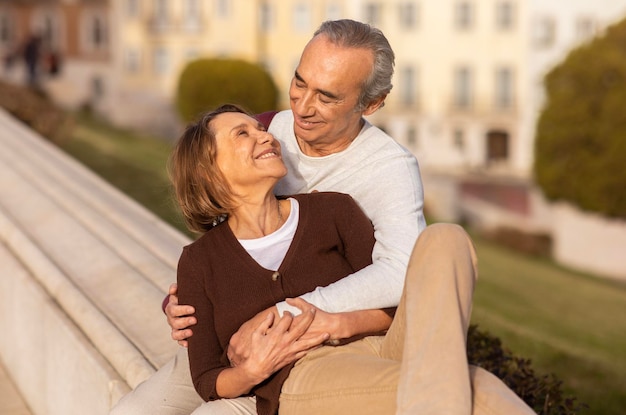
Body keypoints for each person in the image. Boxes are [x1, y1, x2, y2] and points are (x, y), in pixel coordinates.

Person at [111, 19, 536, 415]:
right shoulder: (263, 133)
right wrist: (184, 301)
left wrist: (307, 315)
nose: (302, 107)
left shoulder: (386, 172)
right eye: (299, 82)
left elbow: (402, 275)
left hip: (355, 339)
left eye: (327, 96)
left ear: (371, 104)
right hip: (247, 348)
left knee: (445, 239)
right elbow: (214, 216)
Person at [169, 104, 392, 415]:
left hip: (376, 354)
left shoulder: (334, 211)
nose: (266, 137)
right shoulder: (200, 262)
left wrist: (333, 325)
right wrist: (252, 372)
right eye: (242, 134)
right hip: (304, 382)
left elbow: (393, 303)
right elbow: (207, 379)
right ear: (209, 171)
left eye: (261, 129)